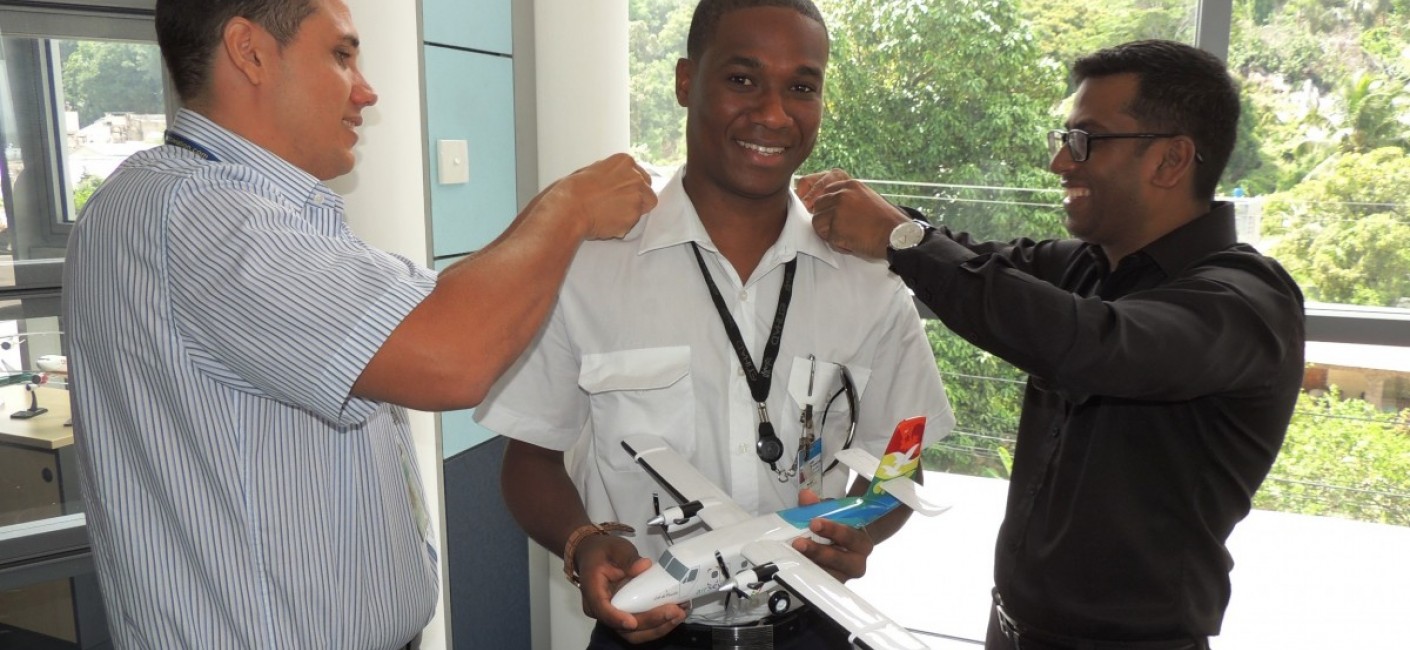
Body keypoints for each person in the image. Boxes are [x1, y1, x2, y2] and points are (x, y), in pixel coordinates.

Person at [61, 0, 655, 647]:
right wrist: (565, 209)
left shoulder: (241, 213)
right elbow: (451, 356)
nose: (367, 91)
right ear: (249, 51)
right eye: (342, 55)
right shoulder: (205, 218)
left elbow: (434, 308)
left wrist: (551, 227)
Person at [472, 0, 953, 647]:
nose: (774, 114)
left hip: (810, 628)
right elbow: (530, 457)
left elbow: (900, 471)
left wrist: (862, 532)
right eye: (742, 79)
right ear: (684, 81)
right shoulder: (587, 265)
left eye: (801, 87)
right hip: (642, 635)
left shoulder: (871, 283)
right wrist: (583, 542)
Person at [799, 40, 1305, 649]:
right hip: (1010, 629)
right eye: (1063, 139)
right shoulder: (1089, 267)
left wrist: (900, 239)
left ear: (1171, 161)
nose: (1061, 163)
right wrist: (867, 216)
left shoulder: (1246, 300)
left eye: (1086, 140)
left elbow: (1095, 348)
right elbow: (971, 262)